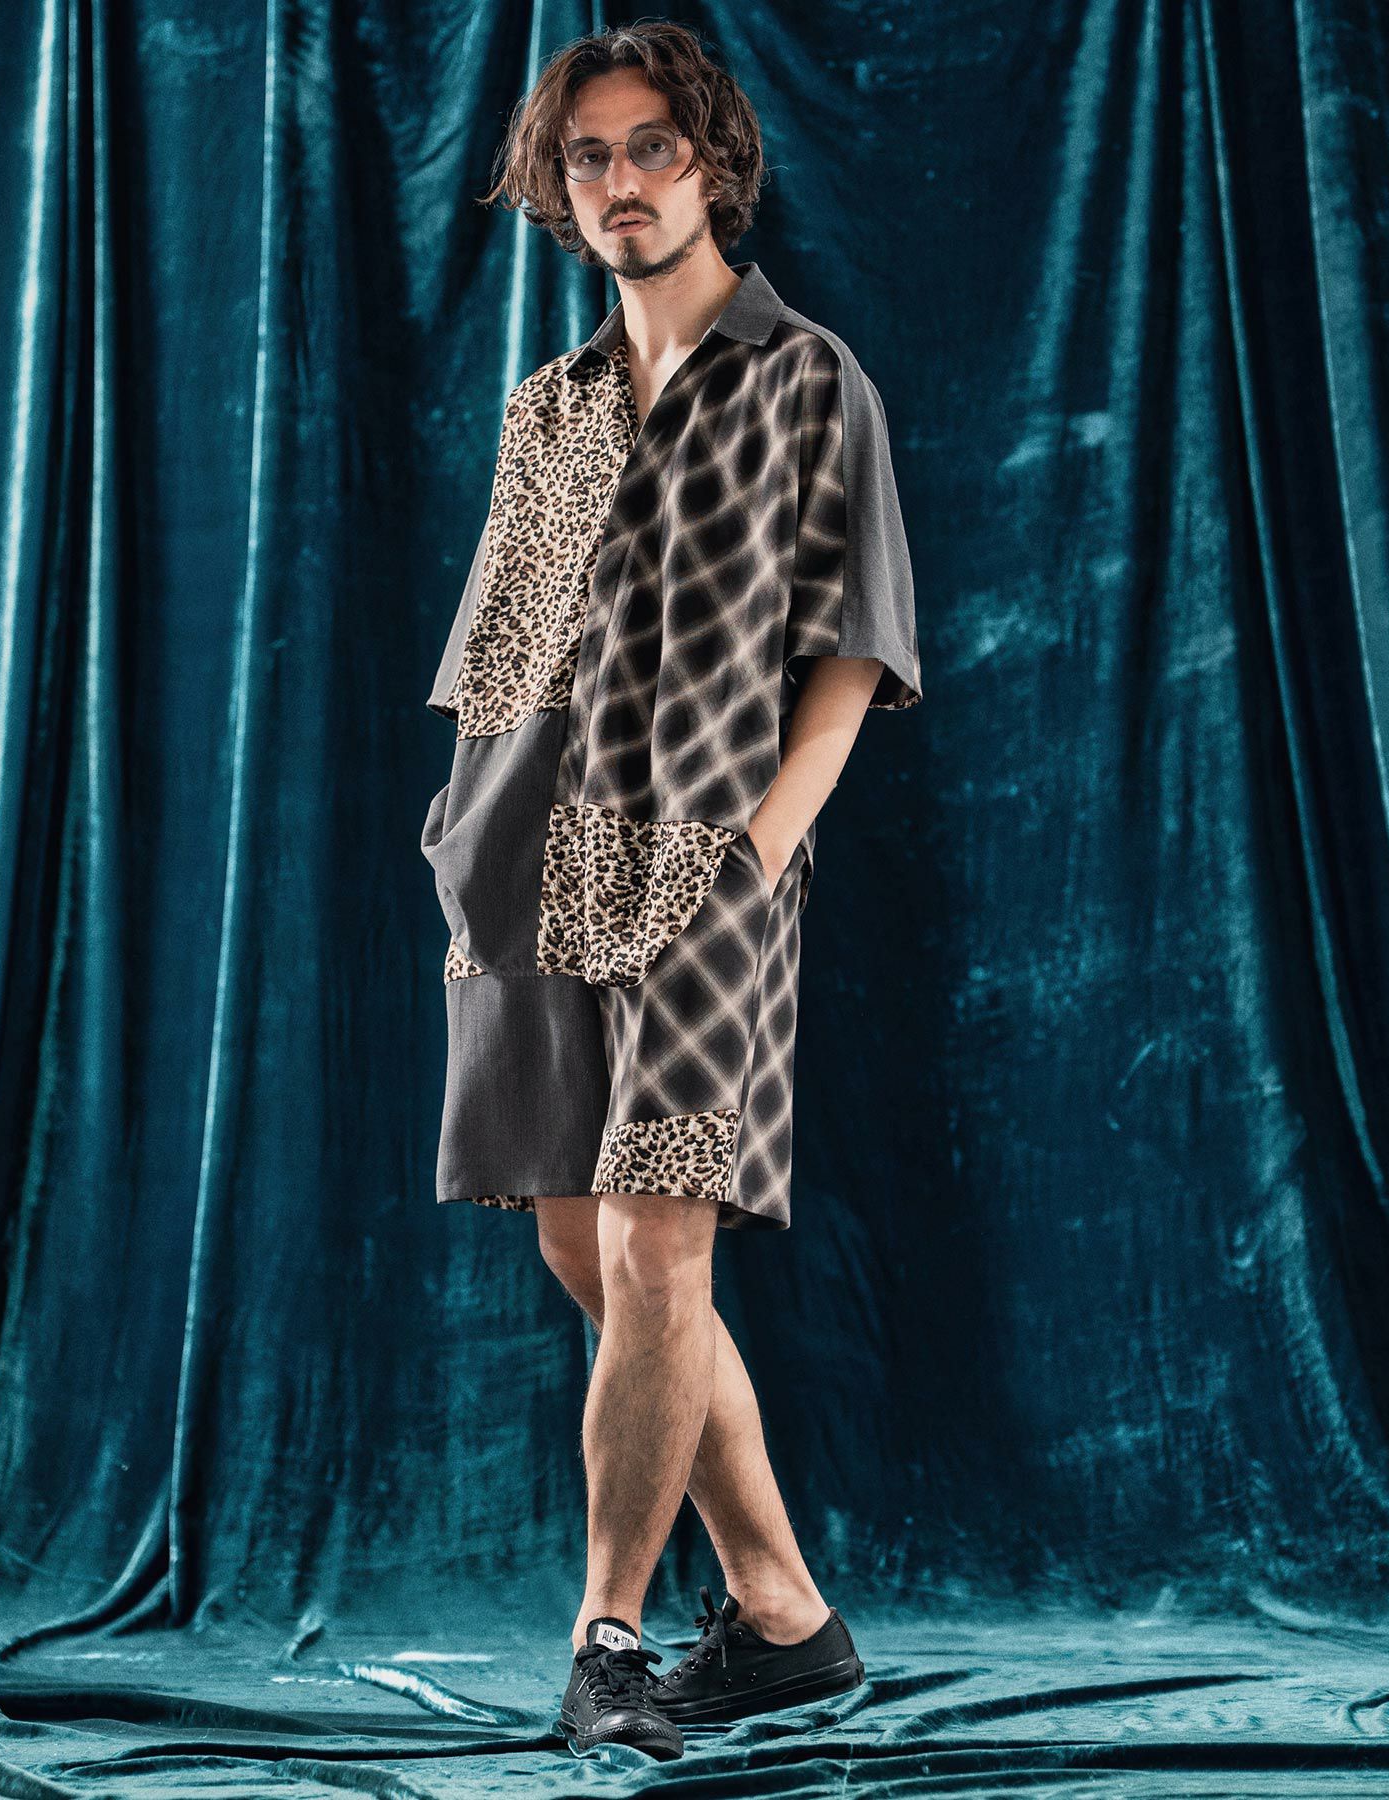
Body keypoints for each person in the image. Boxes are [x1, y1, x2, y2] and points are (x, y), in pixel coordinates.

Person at [419, 21, 922, 1762]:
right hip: (522, 872)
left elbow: (850, 657)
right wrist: (459, 846)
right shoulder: (551, 410)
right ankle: (784, 1615)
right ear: (559, 191)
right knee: (588, 1248)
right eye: (588, 158)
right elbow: (501, 663)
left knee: (659, 1245)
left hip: (706, 873)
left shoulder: (807, 382)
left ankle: (607, 1640)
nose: (620, 182)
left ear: (711, 162)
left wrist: (760, 853)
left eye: (651, 148)